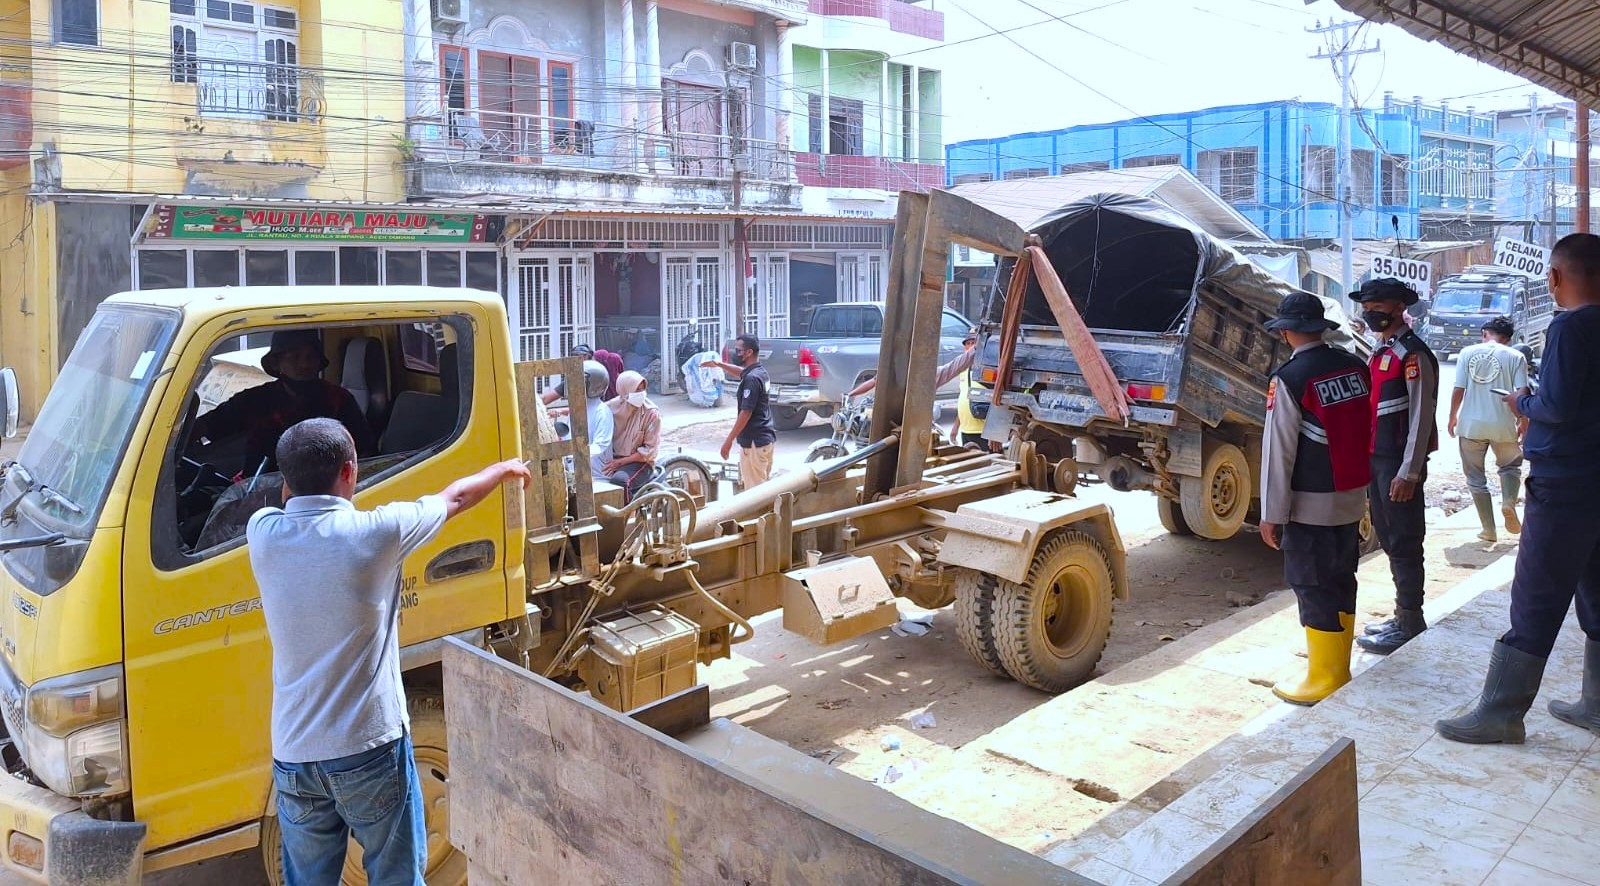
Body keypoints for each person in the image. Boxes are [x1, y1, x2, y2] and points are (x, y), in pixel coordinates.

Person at [248, 418, 530, 884]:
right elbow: (455, 497)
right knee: (396, 875)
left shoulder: (263, 534)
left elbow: (280, 506)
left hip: (295, 754)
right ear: (350, 470)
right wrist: (501, 469)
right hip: (369, 748)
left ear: (285, 482)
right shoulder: (378, 533)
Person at [1437, 233, 1600, 744]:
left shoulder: (1572, 326)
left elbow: (1557, 408)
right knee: (1595, 588)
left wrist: (1523, 402)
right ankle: (1595, 704)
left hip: (1566, 481)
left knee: (1537, 592)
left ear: (1555, 276)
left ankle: (1501, 714)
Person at [1257, 292, 1373, 705]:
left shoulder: (1289, 378)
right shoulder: (1356, 366)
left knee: (1312, 584)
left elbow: (1279, 452)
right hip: (1351, 497)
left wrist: (1271, 514)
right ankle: (1339, 666)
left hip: (1310, 503)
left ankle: (1325, 676)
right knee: (1342, 577)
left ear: (1286, 333)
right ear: (1320, 329)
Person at [1352, 278, 1439, 656]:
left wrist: (1410, 472)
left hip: (1397, 464)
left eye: (1378, 305)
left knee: (1404, 540)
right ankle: (1402, 613)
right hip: (1377, 459)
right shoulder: (1381, 350)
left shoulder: (1413, 355)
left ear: (1399, 307)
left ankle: (1410, 620)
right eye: (1366, 305)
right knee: (1388, 538)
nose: (1370, 311)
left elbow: (1421, 419)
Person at [193, 329, 375, 474]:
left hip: (318, 491)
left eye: (310, 357)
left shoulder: (339, 400)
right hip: (257, 491)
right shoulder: (254, 400)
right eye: (295, 357)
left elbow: (364, 452)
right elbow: (209, 425)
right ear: (276, 364)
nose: (304, 364)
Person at [1447, 315, 1529, 543]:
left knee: (1475, 478)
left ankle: (1488, 530)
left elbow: (1458, 389)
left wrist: (1453, 416)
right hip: (1503, 425)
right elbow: (1522, 392)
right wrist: (1523, 420)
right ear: (1509, 339)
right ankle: (1508, 502)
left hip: (1471, 425)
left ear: (1484, 333)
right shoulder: (1516, 356)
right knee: (1510, 467)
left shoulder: (1467, 353)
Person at [845, 328, 985, 446]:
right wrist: (851, 394)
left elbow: (957, 364)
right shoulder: (894, 373)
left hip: (917, 430)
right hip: (892, 426)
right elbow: (873, 382)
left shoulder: (928, 375)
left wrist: (981, 345)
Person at [704, 334, 776, 487]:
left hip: (754, 444)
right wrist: (718, 364)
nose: (735, 353)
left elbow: (746, 413)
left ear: (749, 353)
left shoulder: (752, 379)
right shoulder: (760, 372)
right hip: (765, 440)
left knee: (755, 496)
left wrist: (728, 441)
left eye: (738, 350)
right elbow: (742, 372)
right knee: (765, 490)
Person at [601, 371, 662, 501]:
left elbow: (649, 452)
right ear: (623, 391)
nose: (641, 393)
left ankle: (629, 518)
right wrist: (564, 412)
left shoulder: (651, 413)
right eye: (636, 390)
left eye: (642, 389)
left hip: (639, 462)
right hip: (613, 459)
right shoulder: (611, 406)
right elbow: (592, 413)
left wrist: (620, 462)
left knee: (620, 482)